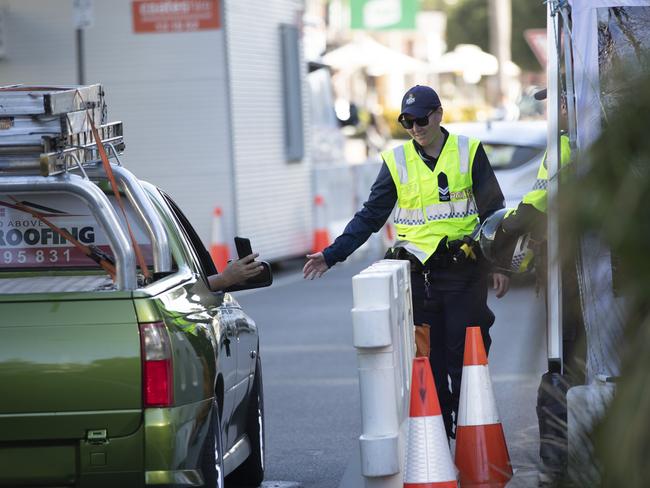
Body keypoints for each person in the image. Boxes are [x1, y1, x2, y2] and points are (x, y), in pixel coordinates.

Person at [303, 85, 510, 438]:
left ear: (439, 114)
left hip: (462, 274)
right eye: (407, 121)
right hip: (417, 279)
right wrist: (331, 254)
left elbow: (493, 212)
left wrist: (500, 265)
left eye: (421, 119)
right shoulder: (396, 162)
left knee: (465, 361)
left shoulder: (467, 151)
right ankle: (440, 441)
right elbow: (370, 216)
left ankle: (472, 438)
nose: (415, 127)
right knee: (427, 365)